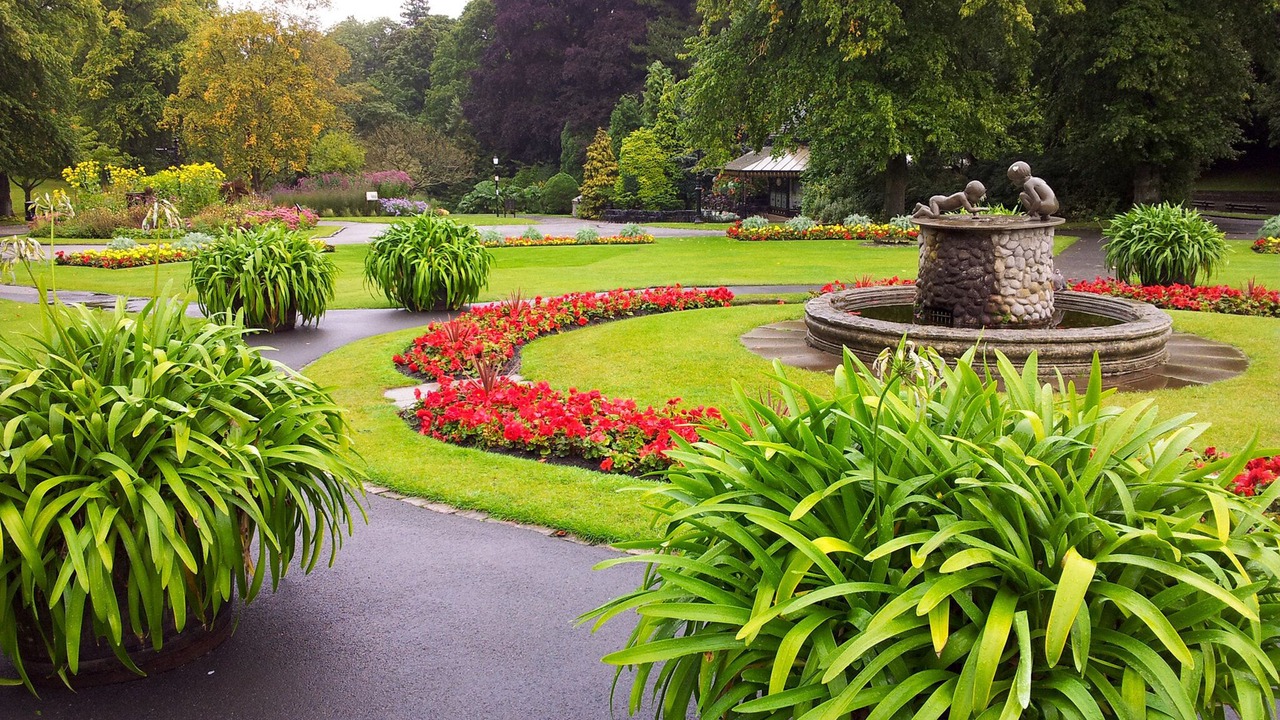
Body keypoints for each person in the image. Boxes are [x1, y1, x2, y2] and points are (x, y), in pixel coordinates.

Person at [912, 180, 987, 219]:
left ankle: (920, 206)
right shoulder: (961, 197)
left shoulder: (969, 199)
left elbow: (973, 208)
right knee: (935, 215)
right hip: (936, 201)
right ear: (971, 193)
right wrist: (983, 209)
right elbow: (970, 210)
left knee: (933, 211)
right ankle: (921, 211)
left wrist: (976, 215)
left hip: (940, 201)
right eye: (977, 197)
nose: (978, 199)